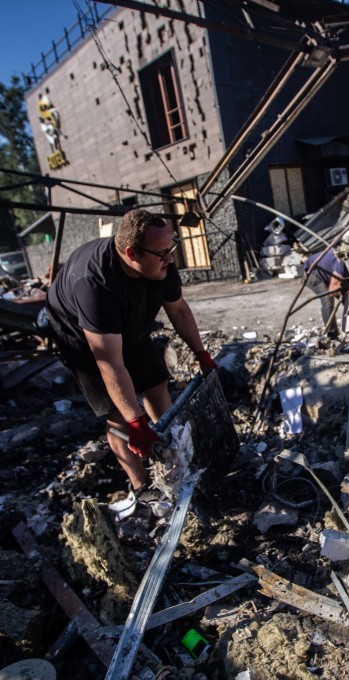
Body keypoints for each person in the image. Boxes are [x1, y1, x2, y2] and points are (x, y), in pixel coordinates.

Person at [44, 209, 217, 502]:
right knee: (118, 416)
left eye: (171, 248)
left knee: (156, 385)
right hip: (80, 335)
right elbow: (110, 362)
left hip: (129, 323)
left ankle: (176, 458)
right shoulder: (94, 284)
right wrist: (136, 422)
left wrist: (201, 353)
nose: (171, 258)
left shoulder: (160, 261)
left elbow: (178, 309)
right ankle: (141, 486)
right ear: (132, 253)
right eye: (163, 253)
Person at [303, 245, 349, 339]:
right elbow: (332, 290)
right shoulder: (342, 261)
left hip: (327, 273)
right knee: (328, 301)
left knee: (348, 301)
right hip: (312, 273)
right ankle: (332, 335)